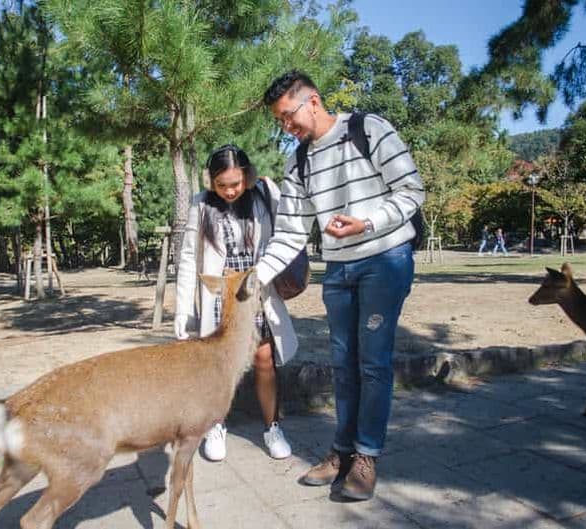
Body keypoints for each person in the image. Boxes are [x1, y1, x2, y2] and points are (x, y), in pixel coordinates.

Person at [257, 71, 423, 501]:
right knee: (343, 364)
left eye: (288, 116)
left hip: (384, 259)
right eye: (280, 122)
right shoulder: (299, 162)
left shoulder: (368, 129)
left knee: (373, 362)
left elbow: (411, 191)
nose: (286, 127)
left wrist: (367, 222)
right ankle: (341, 451)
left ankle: (366, 456)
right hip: (338, 269)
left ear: (312, 100)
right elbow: (290, 233)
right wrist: (253, 280)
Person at [174, 144, 298, 462]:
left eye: (236, 183)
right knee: (219, 368)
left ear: (247, 176)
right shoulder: (201, 205)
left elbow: (290, 231)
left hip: (257, 295)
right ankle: (216, 426)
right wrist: (183, 309)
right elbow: (189, 258)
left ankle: (272, 427)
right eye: (222, 185)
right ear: (211, 182)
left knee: (264, 360)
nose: (230, 191)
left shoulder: (264, 195)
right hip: (219, 297)